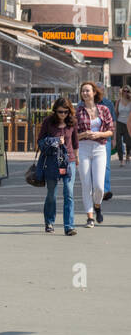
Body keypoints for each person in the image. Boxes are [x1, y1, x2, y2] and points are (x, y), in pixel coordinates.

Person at [37, 97, 79, 235]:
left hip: (68, 161)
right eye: (60, 112)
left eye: (66, 112)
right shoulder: (48, 122)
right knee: (51, 194)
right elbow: (40, 141)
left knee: (69, 192)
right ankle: (49, 221)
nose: (63, 115)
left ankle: (69, 226)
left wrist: (76, 159)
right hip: (52, 162)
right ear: (55, 111)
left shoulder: (72, 122)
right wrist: (55, 140)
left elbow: (75, 143)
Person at [75, 81, 113, 227]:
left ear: (94, 92)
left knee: (99, 186)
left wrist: (98, 134)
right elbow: (72, 135)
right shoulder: (78, 111)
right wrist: (83, 134)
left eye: (87, 91)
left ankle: (97, 205)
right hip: (83, 148)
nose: (85, 93)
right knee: (86, 184)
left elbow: (110, 131)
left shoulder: (104, 109)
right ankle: (90, 217)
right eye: (83, 91)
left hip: (99, 148)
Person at [99, 87, 117, 200]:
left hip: (106, 138)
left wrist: (114, 138)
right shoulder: (84, 103)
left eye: (102, 90)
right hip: (90, 140)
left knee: (105, 165)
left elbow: (113, 122)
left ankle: (105, 190)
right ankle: (96, 189)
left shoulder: (108, 103)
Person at [116, 86, 131, 167]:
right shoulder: (118, 101)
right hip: (119, 123)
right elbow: (116, 112)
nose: (125, 92)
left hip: (128, 123)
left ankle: (128, 154)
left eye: (127, 91)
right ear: (122, 92)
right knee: (119, 142)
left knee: (128, 141)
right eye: (124, 91)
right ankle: (121, 160)